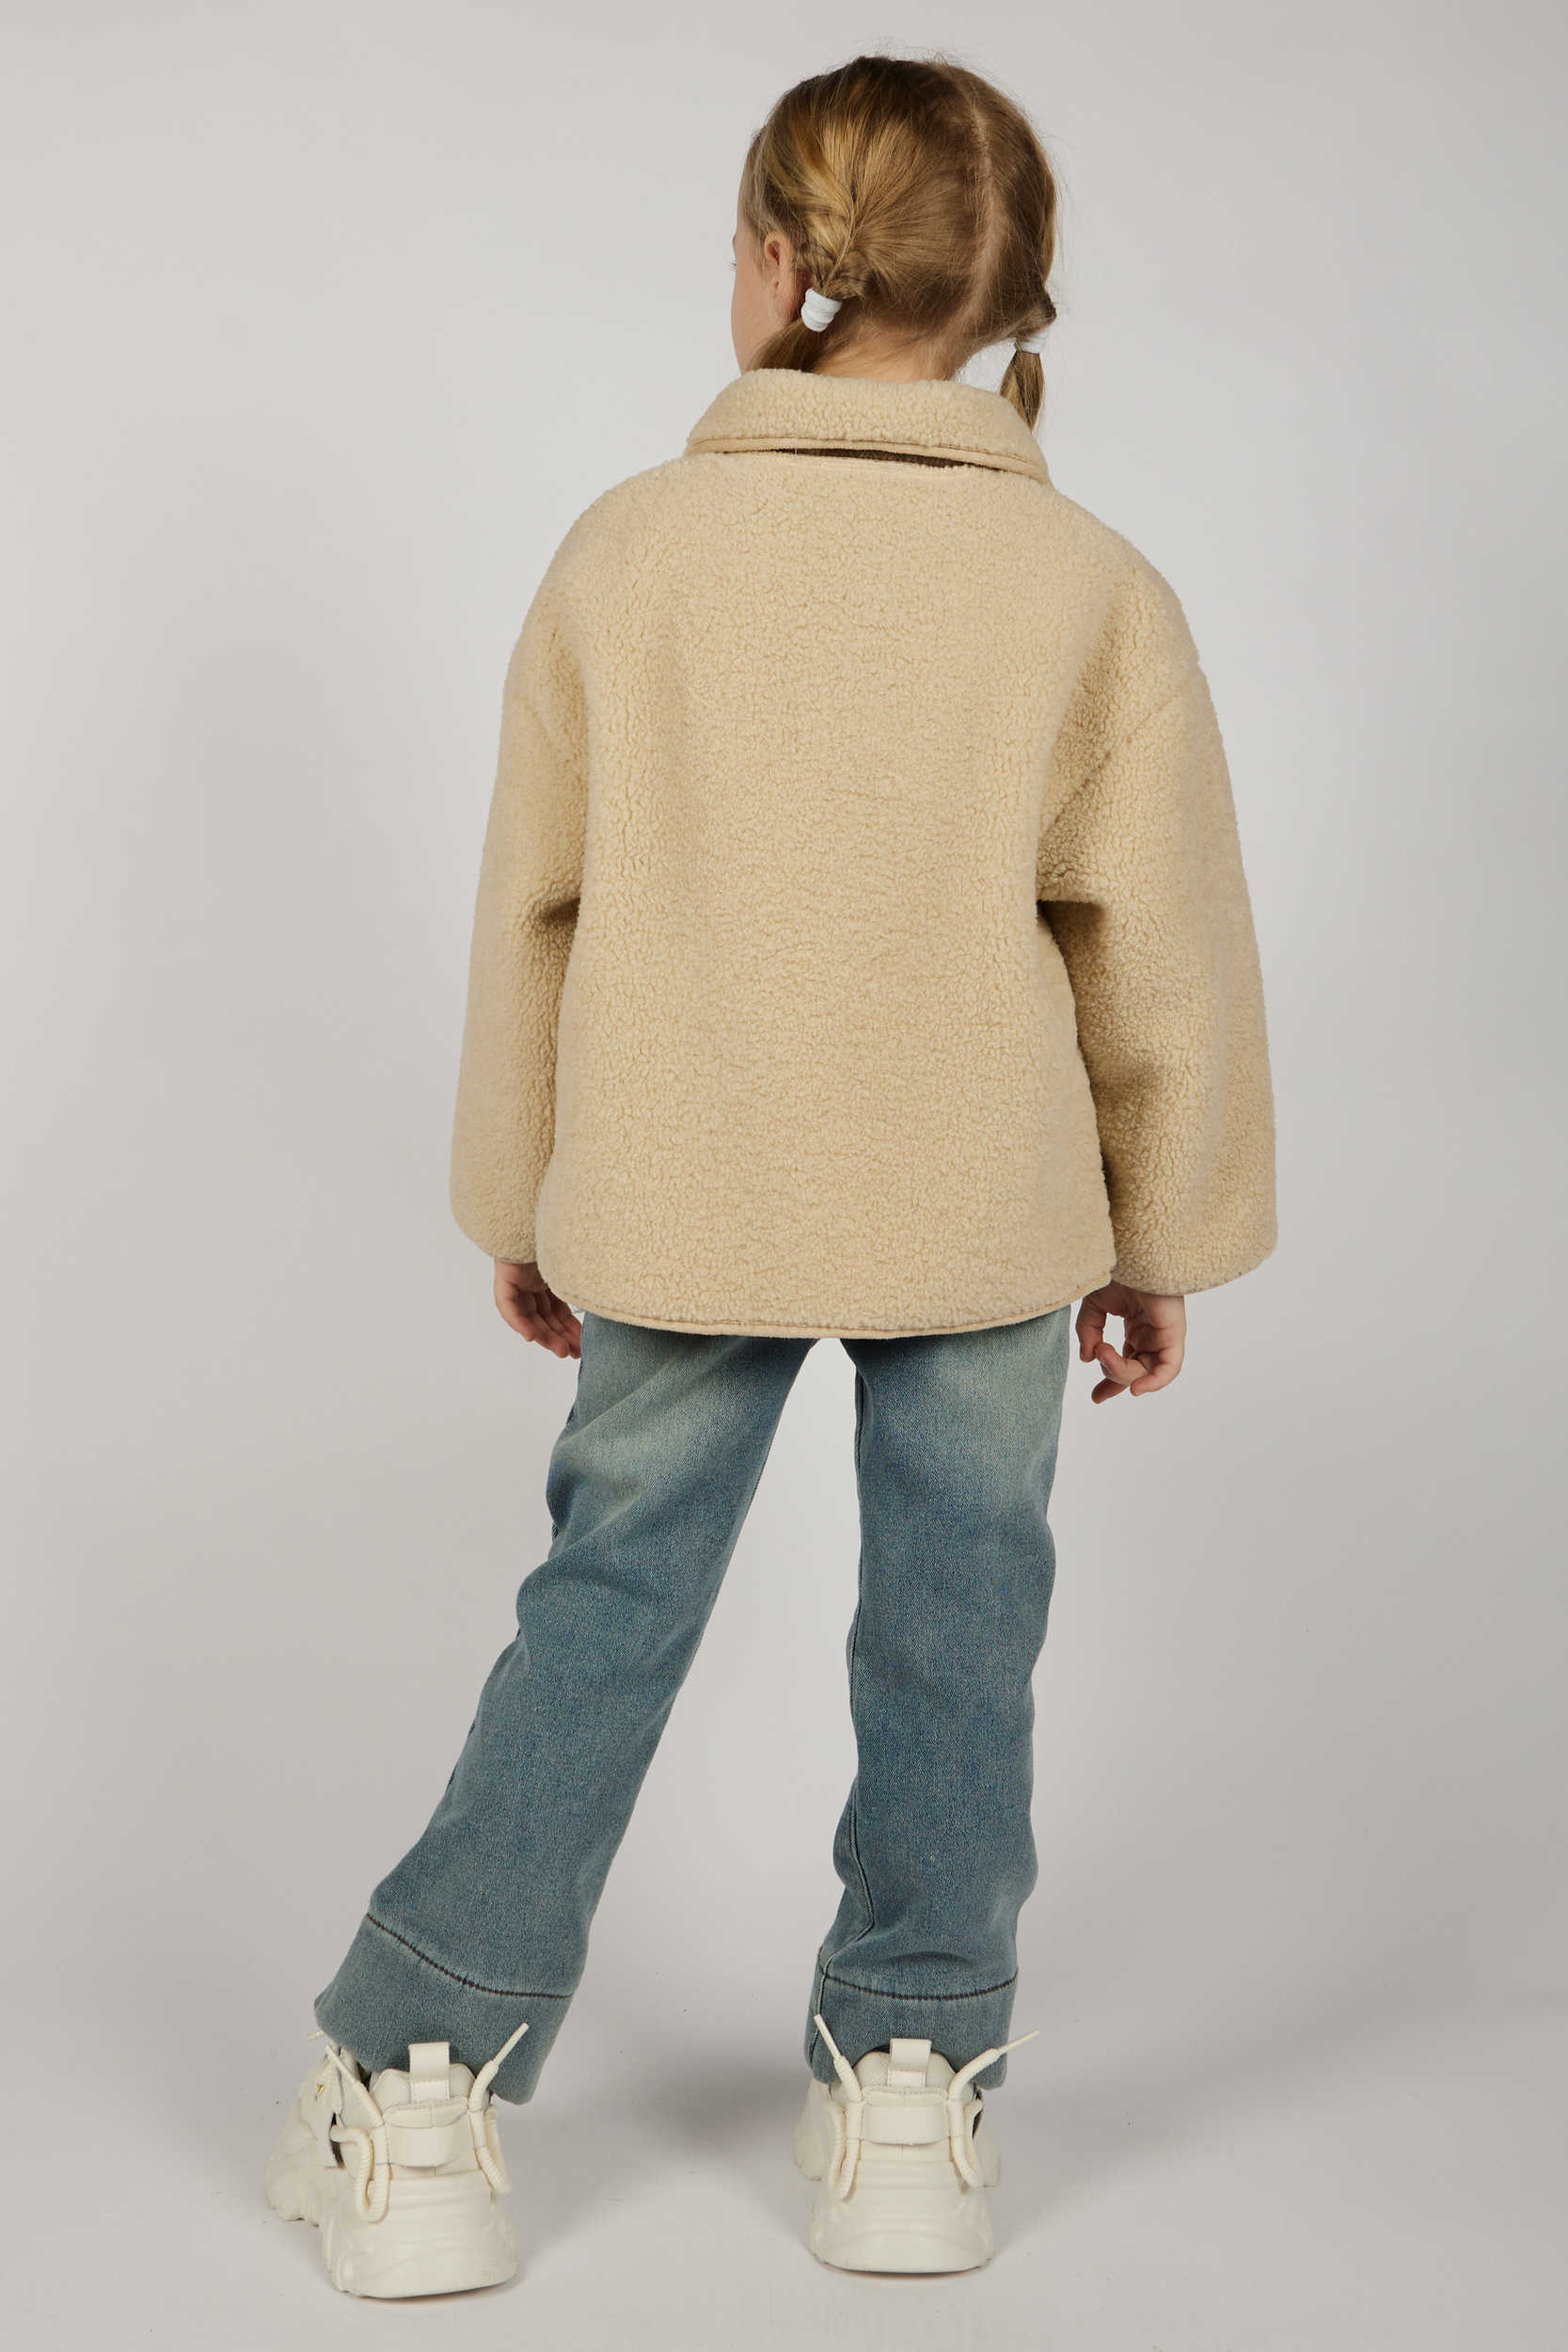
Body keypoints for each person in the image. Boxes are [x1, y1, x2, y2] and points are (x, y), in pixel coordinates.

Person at [265, 53, 1275, 2297]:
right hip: (983, 1196)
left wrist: (521, 1190)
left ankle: (421, 2078)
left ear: (771, 263)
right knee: (961, 1615)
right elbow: (1160, 942)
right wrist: (1165, 1231)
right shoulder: (1088, 585)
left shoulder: (631, 550)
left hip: (681, 1176)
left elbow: (535, 904)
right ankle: (913, 2071)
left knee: (607, 1601)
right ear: (1009, 299)